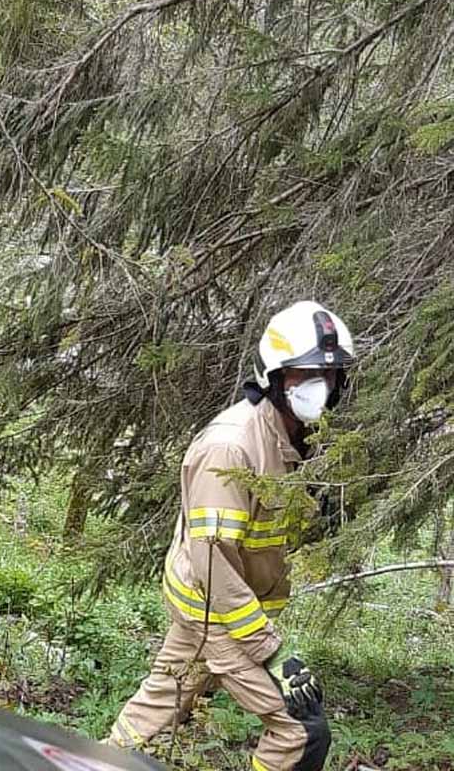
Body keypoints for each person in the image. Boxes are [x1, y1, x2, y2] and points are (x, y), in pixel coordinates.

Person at [107, 301, 356, 771]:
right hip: (215, 609)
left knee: (156, 710)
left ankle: (90, 762)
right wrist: (270, 651)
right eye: (306, 374)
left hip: (221, 607)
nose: (320, 386)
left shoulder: (295, 436)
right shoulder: (231, 447)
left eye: (329, 374)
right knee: (301, 732)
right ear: (275, 377)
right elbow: (214, 563)